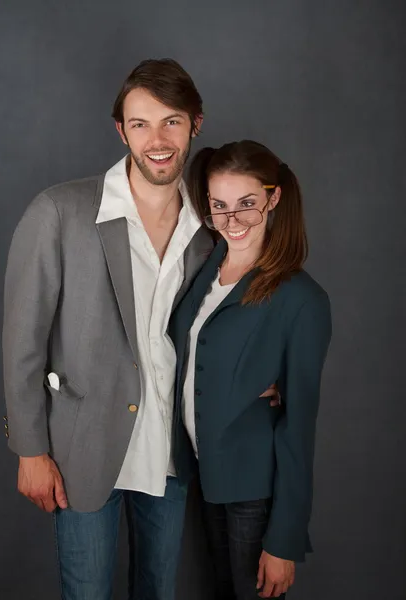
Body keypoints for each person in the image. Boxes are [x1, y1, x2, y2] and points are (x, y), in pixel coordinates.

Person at [2, 60, 278, 600]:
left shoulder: (213, 225)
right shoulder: (60, 211)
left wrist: (267, 373)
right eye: (140, 124)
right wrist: (29, 450)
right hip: (80, 449)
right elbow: (22, 341)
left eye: (172, 122)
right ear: (120, 130)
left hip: (172, 450)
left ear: (196, 124)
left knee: (158, 590)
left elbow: (243, 307)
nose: (157, 140)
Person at [169, 140, 332, 599]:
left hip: (253, 493)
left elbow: (299, 429)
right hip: (201, 476)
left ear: (273, 198)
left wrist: (283, 540)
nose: (232, 221)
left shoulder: (301, 299)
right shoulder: (205, 269)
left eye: (247, 205)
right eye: (219, 207)